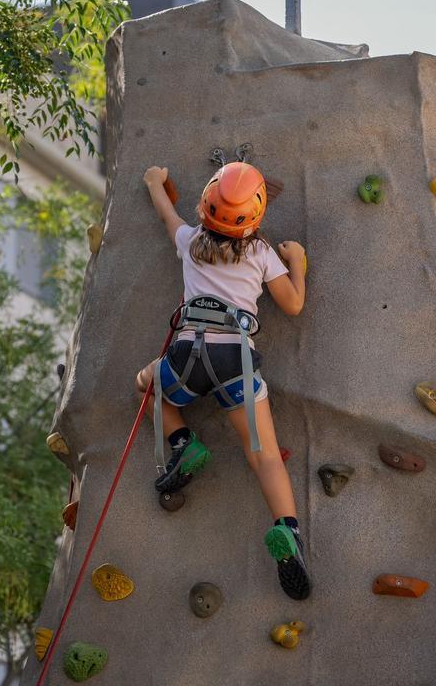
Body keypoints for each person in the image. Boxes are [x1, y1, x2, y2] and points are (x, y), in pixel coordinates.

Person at [135, 161, 311, 600]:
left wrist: (155, 182)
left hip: (186, 356)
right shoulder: (261, 254)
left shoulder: (191, 241)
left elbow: (165, 214)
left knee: (148, 384)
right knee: (265, 458)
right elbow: (292, 304)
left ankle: (182, 444)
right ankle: (288, 531)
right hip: (236, 361)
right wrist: (298, 262)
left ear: (206, 205)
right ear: (256, 216)